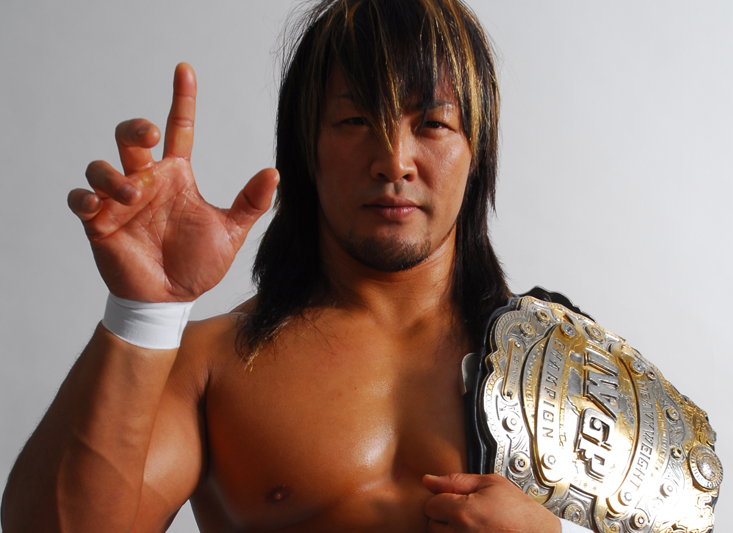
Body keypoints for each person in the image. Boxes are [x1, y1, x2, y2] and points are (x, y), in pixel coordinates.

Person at [1, 0, 589, 531]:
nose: (394, 161)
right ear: (306, 148)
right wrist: (142, 312)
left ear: (476, 150)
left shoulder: (556, 363)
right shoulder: (215, 365)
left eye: (432, 123)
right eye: (355, 121)